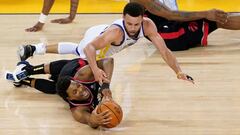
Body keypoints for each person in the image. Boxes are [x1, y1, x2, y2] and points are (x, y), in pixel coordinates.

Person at [18, 3, 194, 84]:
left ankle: (34, 48)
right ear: (123, 18)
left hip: (101, 36)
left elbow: (165, 51)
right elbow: (90, 47)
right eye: (129, 23)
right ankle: (29, 67)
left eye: (137, 24)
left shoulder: (148, 26)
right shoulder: (116, 32)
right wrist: (95, 70)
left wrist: (178, 71)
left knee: (78, 49)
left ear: (143, 19)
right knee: (83, 57)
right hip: (100, 38)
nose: (133, 28)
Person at [5, 57, 115, 128]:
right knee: (58, 82)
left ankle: (27, 71)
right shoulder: (77, 110)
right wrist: (94, 120)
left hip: (75, 68)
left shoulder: (83, 75)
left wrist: (106, 85)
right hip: (66, 76)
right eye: (75, 92)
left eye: (78, 86)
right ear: (70, 99)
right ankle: (26, 73)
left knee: (61, 75)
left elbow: (108, 61)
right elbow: (89, 120)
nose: (81, 90)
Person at [130, 0, 240, 51]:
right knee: (216, 19)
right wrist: (206, 13)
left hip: (165, 26)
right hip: (169, 36)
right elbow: (170, 14)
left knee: (215, 17)